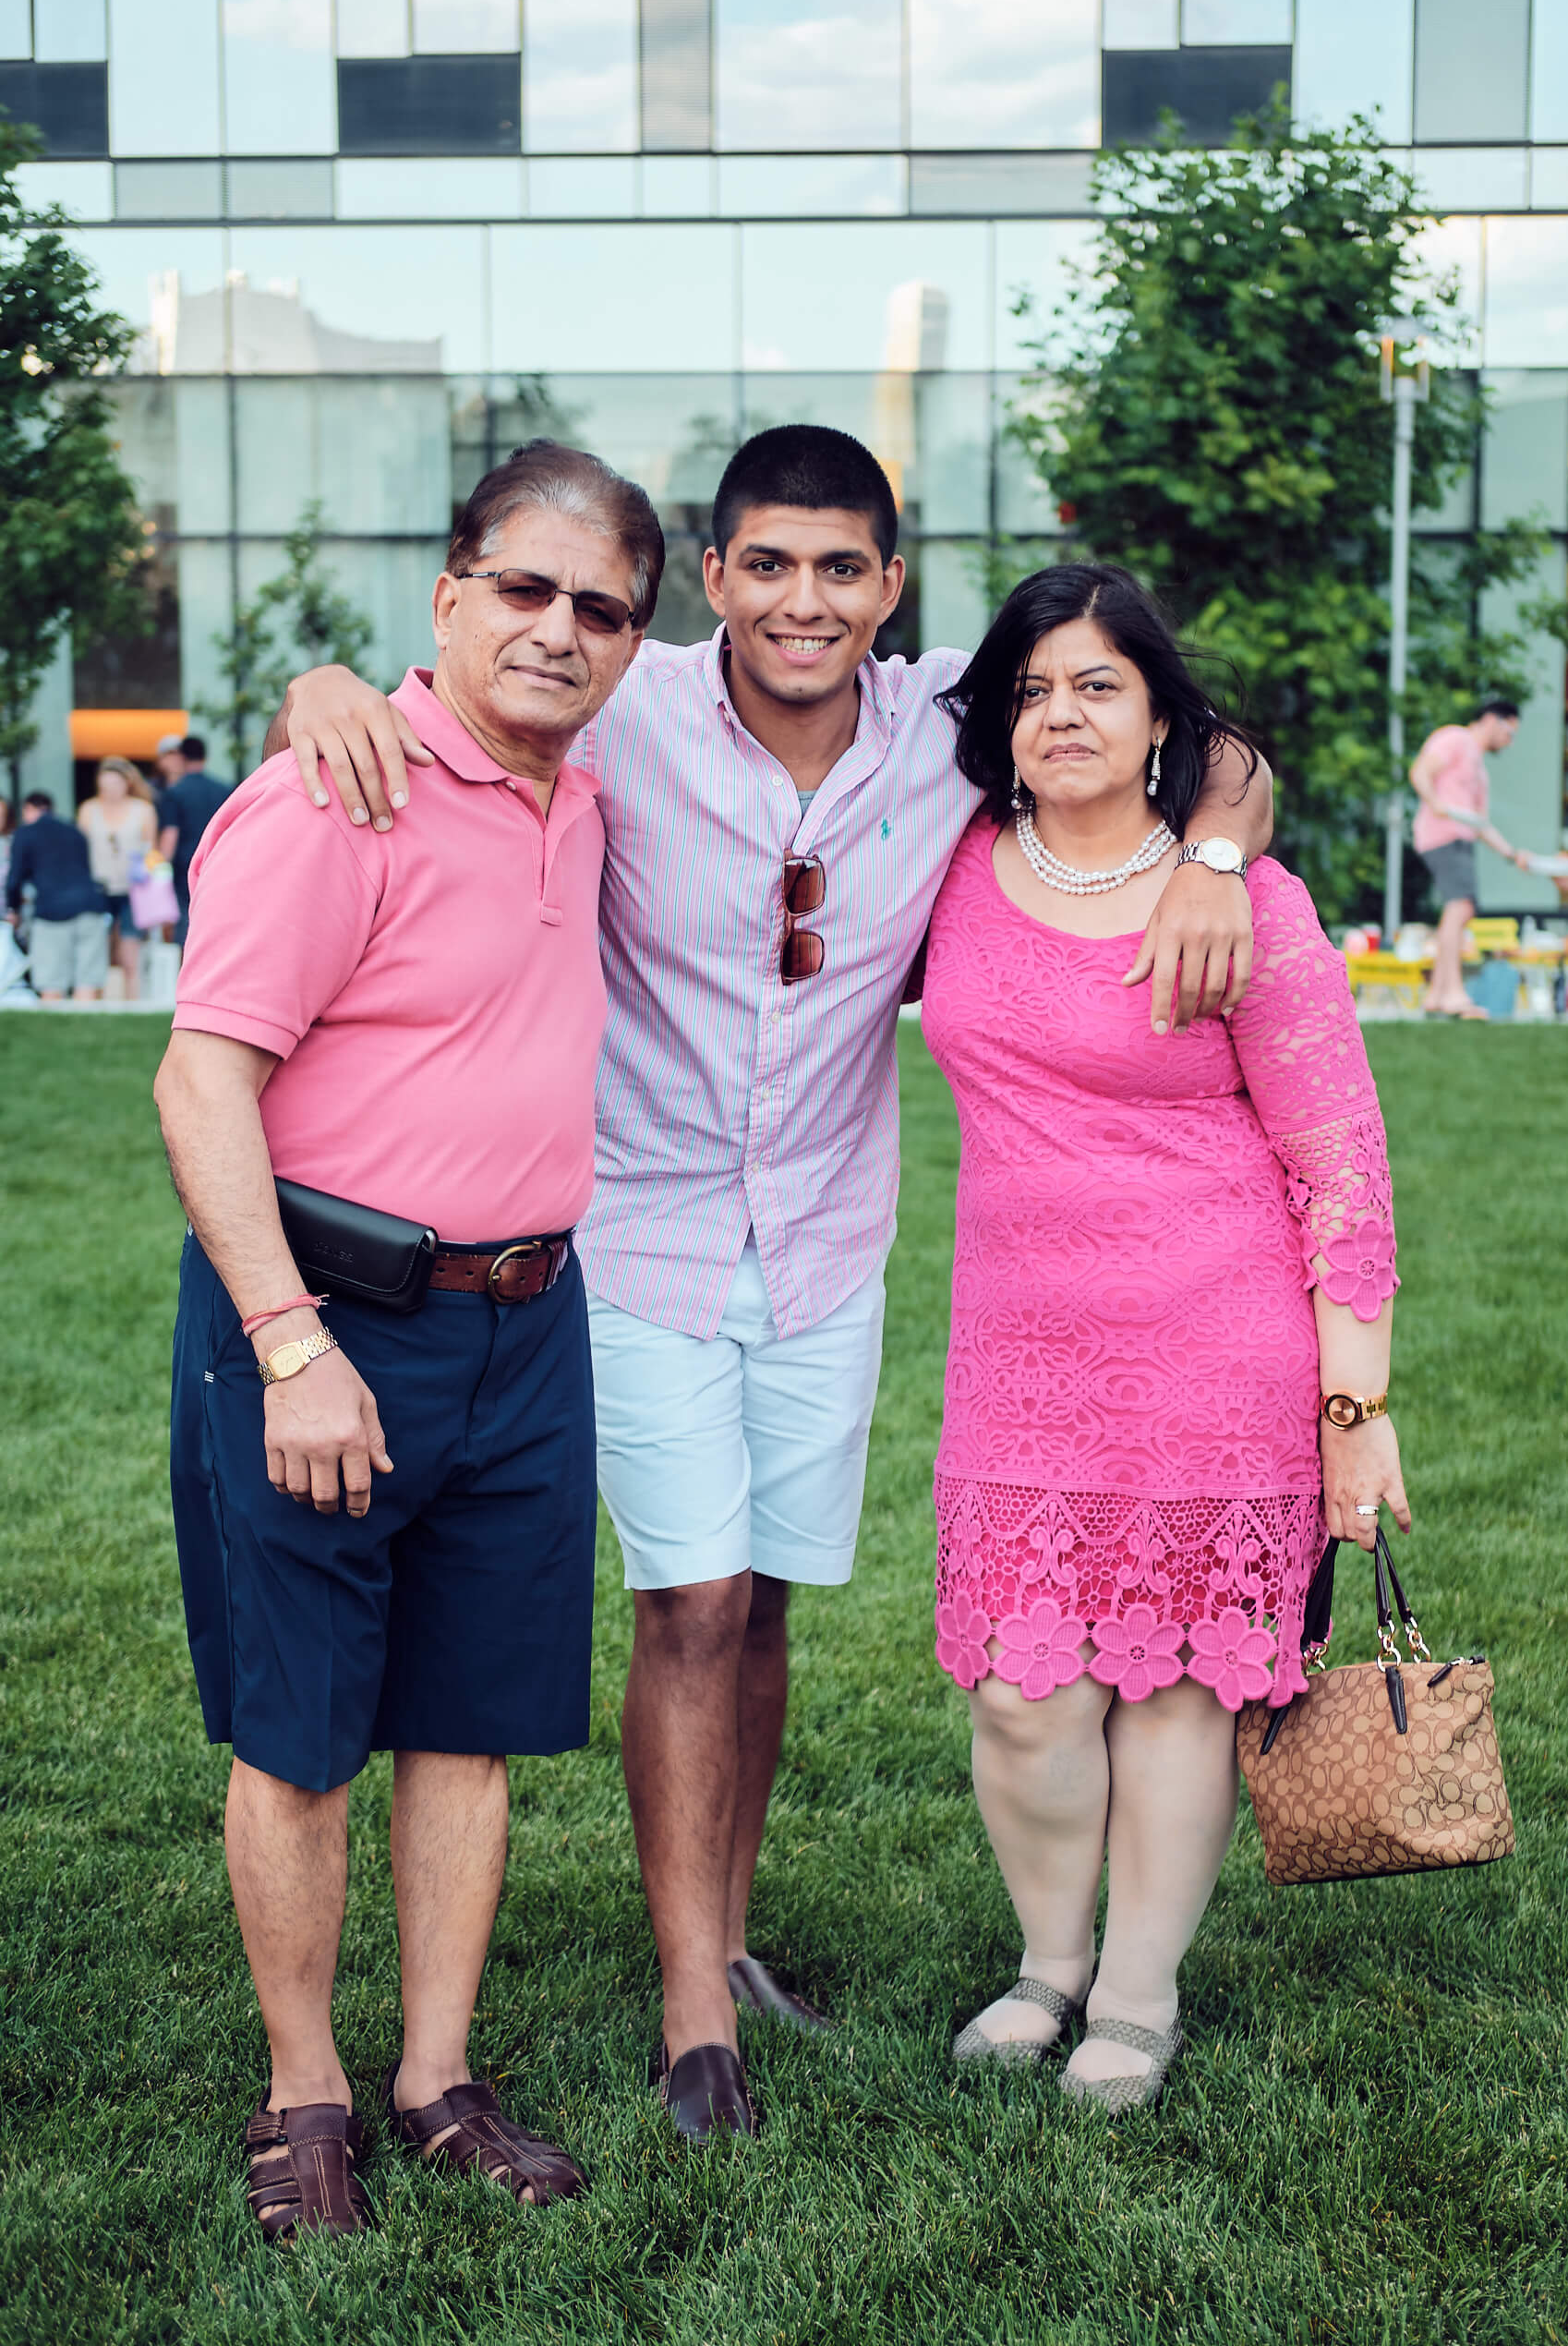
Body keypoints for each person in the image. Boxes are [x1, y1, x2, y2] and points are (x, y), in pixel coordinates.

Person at [268, 426, 1276, 2143]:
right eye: (764, 564)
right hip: (643, 1235)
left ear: (889, 588)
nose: (800, 601)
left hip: (826, 1233)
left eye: (838, 569)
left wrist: (1216, 851)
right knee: (691, 1602)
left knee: (771, 1600)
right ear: (712, 580)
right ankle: (689, 2021)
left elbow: (1219, 739)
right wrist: (316, 682)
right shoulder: (626, 705)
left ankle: (725, 1939)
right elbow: (454, 689)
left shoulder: (956, 720)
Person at [151, 443, 659, 2242]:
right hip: (327, 1321)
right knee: (300, 1734)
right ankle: (307, 2096)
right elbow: (201, 1074)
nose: (558, 630)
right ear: (447, 597)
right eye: (521, 589)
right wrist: (292, 1343)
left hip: (531, 1326)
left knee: (467, 1726)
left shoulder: (590, 790)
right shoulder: (332, 790)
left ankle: (439, 2079)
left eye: (602, 609)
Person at [920, 564, 1407, 2111]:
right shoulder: (945, 865)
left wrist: (1356, 1394)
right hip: (1017, 1358)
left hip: (1216, 1348)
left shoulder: (1244, 898)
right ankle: (1044, 1959)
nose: (1057, 713)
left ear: (1153, 718)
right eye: (1030, 688)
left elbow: (1338, 1150)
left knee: (1181, 1689)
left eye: (1095, 685)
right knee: (1022, 1687)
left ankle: (1134, 1994)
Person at [1410, 699, 1526, 1019]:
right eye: (1509, 731)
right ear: (1491, 720)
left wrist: (1512, 854)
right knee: (1461, 907)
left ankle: (1436, 994)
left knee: (1459, 910)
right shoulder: (1455, 739)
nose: (1509, 741)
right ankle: (1453, 993)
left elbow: (1481, 823)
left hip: (1461, 840)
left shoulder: (1480, 771)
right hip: (1442, 836)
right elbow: (1420, 771)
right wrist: (1434, 802)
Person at [5, 790, 110, 1001]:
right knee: (87, 980)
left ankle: (52, 1030)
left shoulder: (25, 833)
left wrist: (13, 909)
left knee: (51, 982)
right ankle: (84, 1030)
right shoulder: (74, 831)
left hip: (50, 913)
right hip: (90, 907)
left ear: (28, 809)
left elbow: (14, 879)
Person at [78, 756, 157, 1001]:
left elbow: (151, 851)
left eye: (116, 782)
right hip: (97, 888)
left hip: (133, 889)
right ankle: (97, 1001)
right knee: (96, 950)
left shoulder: (143, 811)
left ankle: (133, 1002)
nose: (110, 788)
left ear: (127, 783)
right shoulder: (88, 810)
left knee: (130, 951)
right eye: (106, 783)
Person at [155, 733, 232, 946]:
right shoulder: (224, 789)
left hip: (184, 866)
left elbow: (170, 835)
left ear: (182, 757)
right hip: (219, 861)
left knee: (187, 922)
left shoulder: (174, 793)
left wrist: (160, 869)